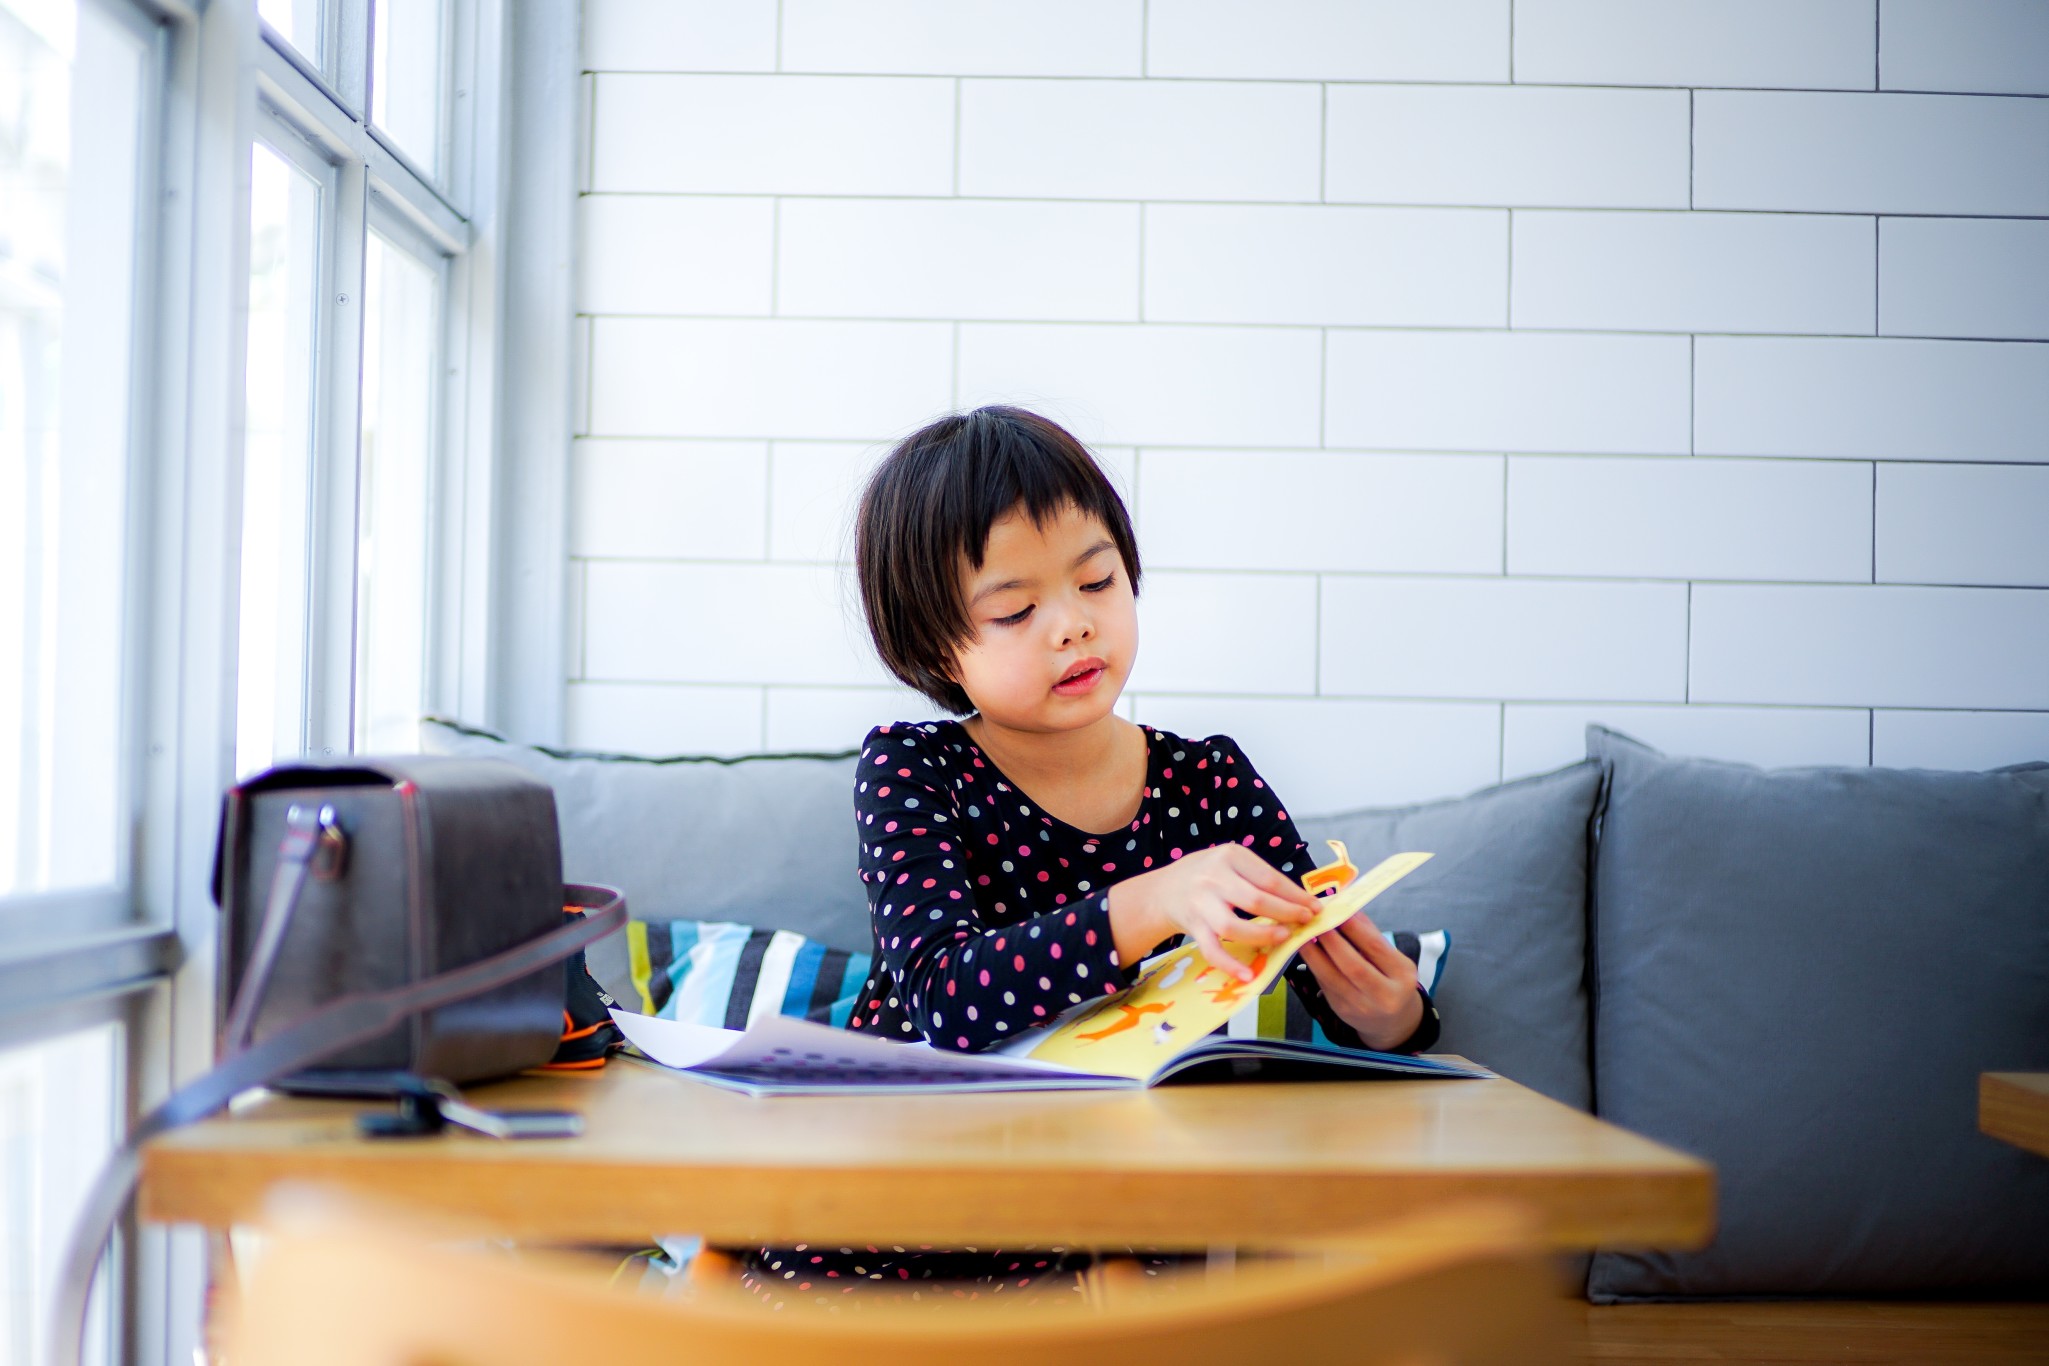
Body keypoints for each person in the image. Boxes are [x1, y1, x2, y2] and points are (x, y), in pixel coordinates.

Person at [736, 405, 1440, 1308]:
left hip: (1103, 1194)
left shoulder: (1208, 781)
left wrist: (1392, 1021)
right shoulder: (915, 768)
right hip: (905, 1172)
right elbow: (946, 998)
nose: (1070, 626)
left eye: (1097, 583)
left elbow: (1322, 985)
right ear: (932, 645)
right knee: (785, 1304)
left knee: (1137, 1311)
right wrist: (1153, 899)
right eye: (1015, 609)